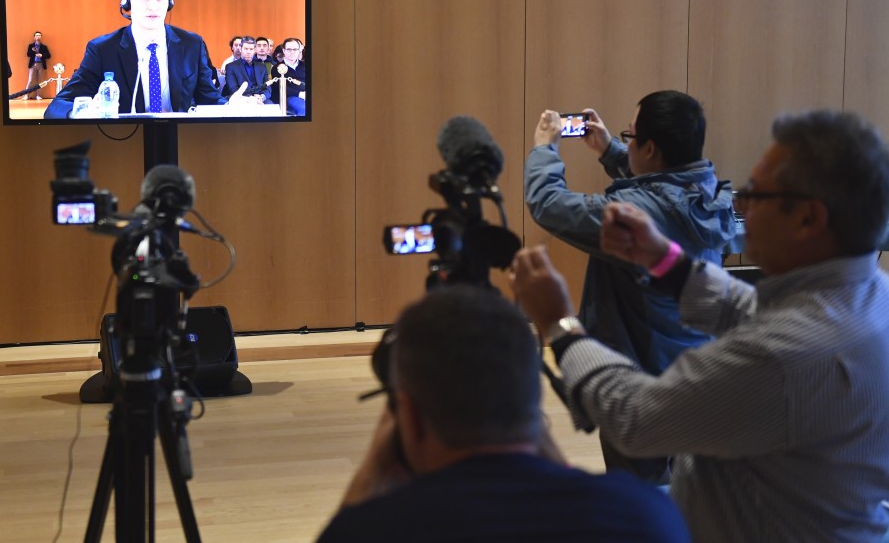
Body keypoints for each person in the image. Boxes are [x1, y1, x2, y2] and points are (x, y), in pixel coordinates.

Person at [510, 109, 889, 543]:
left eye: (754, 193)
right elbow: (749, 308)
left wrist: (559, 324)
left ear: (808, 219)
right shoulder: (871, 294)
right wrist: (664, 261)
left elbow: (635, 418)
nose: (739, 206)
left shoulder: (779, 358)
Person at [316, 286, 691, 543]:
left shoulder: (368, 531)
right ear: (533, 401)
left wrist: (375, 465)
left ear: (408, 416)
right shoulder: (644, 516)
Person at [524, 90, 736, 483]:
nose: (628, 141)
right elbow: (663, 190)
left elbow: (548, 203)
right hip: (697, 370)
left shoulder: (630, 220)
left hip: (638, 382)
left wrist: (544, 149)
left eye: (632, 136)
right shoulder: (710, 196)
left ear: (652, 148)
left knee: (640, 488)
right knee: (686, 488)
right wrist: (612, 151)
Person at [44, 0, 224, 118]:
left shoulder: (192, 45)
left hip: (180, 138)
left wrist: (235, 107)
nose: (153, 7)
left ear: (169, 2)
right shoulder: (102, 50)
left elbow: (210, 100)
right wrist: (82, 111)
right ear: (127, 2)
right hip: (126, 143)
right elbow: (57, 106)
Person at [222, 36, 270, 104]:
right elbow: (233, 89)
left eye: (251, 49)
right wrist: (251, 99)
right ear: (241, 49)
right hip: (240, 99)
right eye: (246, 49)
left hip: (260, 99)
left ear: (255, 50)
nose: (248, 52)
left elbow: (268, 87)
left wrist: (262, 97)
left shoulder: (262, 66)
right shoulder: (230, 67)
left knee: (272, 108)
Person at [275, 37, 307, 116]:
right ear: (284, 50)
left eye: (295, 49)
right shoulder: (278, 68)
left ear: (299, 50)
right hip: (290, 97)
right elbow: (279, 87)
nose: (292, 52)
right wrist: (300, 94)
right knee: (305, 109)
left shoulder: (305, 66)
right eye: (289, 49)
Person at [24, 31, 51, 99]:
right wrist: (33, 51)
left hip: (41, 64)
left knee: (41, 80)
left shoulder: (44, 47)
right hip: (33, 64)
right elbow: (28, 54)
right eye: (36, 35)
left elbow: (48, 55)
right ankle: (26, 95)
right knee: (30, 80)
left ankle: (39, 95)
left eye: (39, 35)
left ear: (41, 37)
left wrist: (41, 55)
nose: (38, 36)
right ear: (34, 37)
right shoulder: (31, 46)